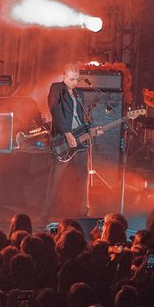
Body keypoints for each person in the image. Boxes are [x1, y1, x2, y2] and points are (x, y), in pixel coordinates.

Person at [47, 63, 91, 219]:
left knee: (83, 175)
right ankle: (47, 214)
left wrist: (89, 131)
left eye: (77, 79)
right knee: (55, 178)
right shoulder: (56, 88)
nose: (75, 82)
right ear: (63, 76)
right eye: (72, 79)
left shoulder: (79, 95)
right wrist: (67, 134)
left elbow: (79, 117)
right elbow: (55, 109)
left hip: (79, 138)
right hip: (64, 139)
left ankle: (83, 211)